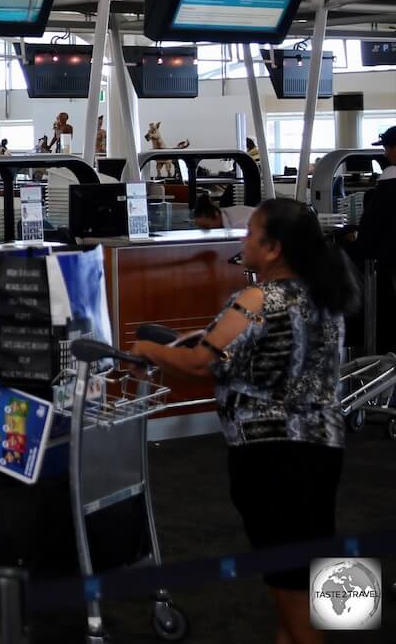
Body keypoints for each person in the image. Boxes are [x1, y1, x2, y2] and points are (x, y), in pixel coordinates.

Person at [136, 199, 352, 644]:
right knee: (311, 563)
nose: (242, 239)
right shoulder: (326, 294)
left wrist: (148, 351)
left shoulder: (256, 299)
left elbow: (200, 363)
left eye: (250, 233)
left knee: (287, 580)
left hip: (270, 454)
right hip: (323, 447)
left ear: (272, 248)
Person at [344, 125, 396, 351]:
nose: (385, 154)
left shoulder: (391, 181)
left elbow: (375, 225)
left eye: (387, 148)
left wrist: (357, 243)